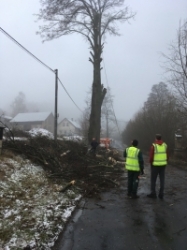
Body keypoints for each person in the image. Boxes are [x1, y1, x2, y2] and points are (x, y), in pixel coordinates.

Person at [147, 134, 168, 199]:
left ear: (156, 138)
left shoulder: (154, 146)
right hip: (163, 165)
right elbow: (167, 155)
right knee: (162, 180)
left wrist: (150, 162)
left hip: (155, 165)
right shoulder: (165, 145)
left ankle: (153, 193)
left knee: (153, 180)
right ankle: (161, 194)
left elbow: (151, 156)